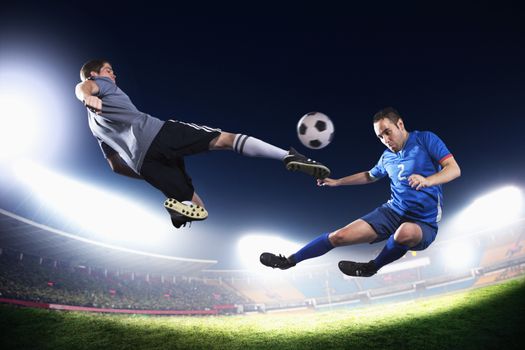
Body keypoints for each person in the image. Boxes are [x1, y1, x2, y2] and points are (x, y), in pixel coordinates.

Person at [75, 59, 330, 228]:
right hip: (158, 134)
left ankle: (181, 208)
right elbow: (82, 87)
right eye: (109, 69)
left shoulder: (93, 127)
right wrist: (88, 96)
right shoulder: (101, 85)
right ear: (95, 74)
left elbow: (115, 167)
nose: (113, 74)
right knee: (226, 139)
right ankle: (288, 156)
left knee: (198, 207)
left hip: (143, 165)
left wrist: (147, 176)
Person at [260, 107, 461, 277]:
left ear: (400, 124)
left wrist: (428, 180)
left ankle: (371, 267)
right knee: (338, 236)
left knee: (405, 232)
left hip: (423, 221)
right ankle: (288, 261)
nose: (385, 139)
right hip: (392, 212)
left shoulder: (425, 139)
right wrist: (337, 182)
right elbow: (369, 176)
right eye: (380, 136)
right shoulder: (386, 157)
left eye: (387, 132)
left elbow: (453, 169)